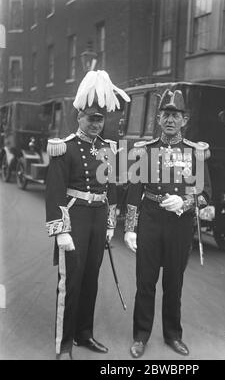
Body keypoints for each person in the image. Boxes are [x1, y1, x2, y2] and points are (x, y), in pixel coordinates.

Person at [45, 70, 130, 360]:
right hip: (75, 217)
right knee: (70, 282)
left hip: (97, 217)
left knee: (91, 279)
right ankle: (64, 343)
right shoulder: (64, 148)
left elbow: (113, 189)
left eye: (100, 119)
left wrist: (110, 224)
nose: (95, 123)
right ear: (78, 115)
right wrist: (61, 231)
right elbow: (55, 193)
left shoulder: (109, 149)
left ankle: (84, 333)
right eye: (91, 117)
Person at [124, 89, 212, 359]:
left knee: (174, 283)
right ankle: (140, 336)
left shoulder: (195, 153)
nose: (171, 120)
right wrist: (129, 228)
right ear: (158, 119)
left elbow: (206, 192)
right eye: (166, 115)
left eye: (176, 115)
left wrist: (185, 202)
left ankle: (173, 335)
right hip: (150, 219)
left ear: (184, 120)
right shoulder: (144, 151)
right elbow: (132, 191)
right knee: (145, 282)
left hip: (179, 224)